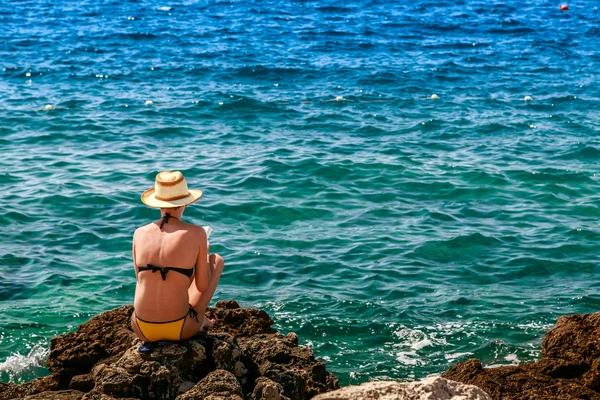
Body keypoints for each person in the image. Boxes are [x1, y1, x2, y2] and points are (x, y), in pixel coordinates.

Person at [130, 171, 224, 351]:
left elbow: (141, 280)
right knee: (216, 261)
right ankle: (201, 321)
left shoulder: (139, 233)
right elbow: (202, 286)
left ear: (158, 203)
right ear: (185, 203)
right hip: (179, 328)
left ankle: (158, 336)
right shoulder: (197, 233)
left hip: (141, 328)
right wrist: (202, 257)